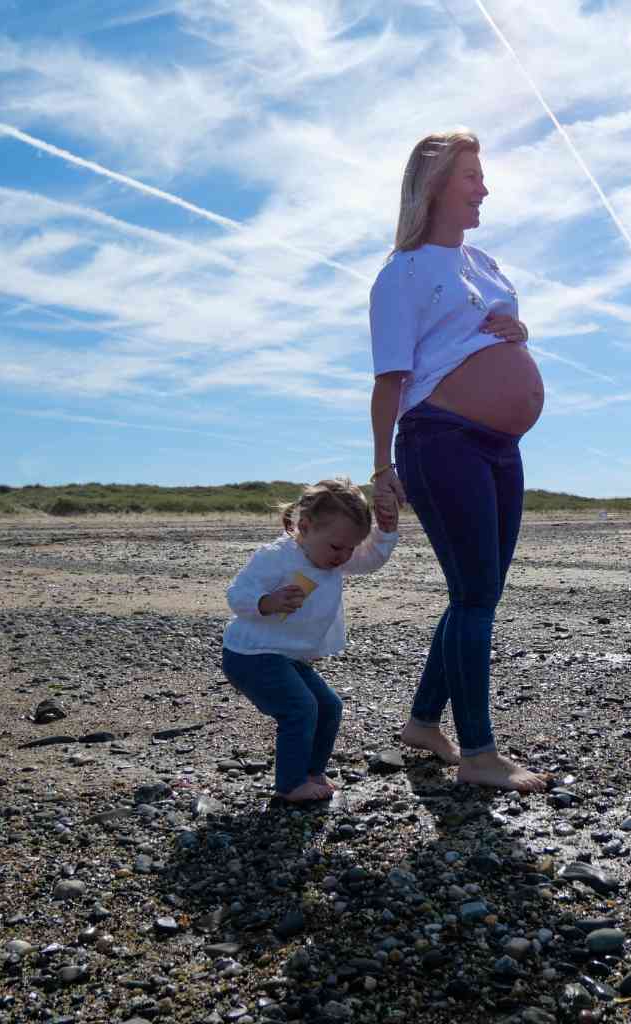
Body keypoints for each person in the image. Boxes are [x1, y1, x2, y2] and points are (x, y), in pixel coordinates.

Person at [368, 129, 548, 793]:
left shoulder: (487, 263)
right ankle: (478, 753)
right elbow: (390, 377)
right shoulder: (403, 272)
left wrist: (521, 333)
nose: (484, 188)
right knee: (474, 597)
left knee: (480, 595)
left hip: (501, 447)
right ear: (436, 183)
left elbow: (499, 328)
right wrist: (383, 467)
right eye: (472, 176)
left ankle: (422, 723)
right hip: (438, 438)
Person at [221, 478, 398, 802]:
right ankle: (290, 785)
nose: (344, 556)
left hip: (287, 656)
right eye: (337, 547)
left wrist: (385, 532)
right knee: (300, 708)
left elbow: (371, 559)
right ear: (304, 527)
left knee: (329, 707)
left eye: (350, 548)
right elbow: (236, 594)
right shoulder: (276, 557)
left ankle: (312, 772)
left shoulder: (331, 556)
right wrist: (266, 602)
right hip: (251, 654)